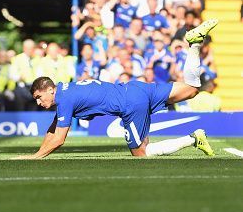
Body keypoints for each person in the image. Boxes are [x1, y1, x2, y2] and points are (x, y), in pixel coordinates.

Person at [14, 19, 218, 159]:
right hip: (136, 88)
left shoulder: (64, 99)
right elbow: (52, 131)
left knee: (142, 153)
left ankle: (193, 139)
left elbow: (58, 139)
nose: (40, 103)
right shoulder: (66, 91)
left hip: (130, 104)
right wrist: (37, 153)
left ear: (50, 90)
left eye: (39, 97)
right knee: (191, 89)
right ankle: (194, 44)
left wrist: (35, 157)